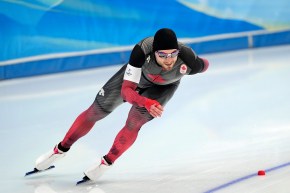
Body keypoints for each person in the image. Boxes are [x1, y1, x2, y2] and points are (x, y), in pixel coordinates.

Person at [33, 28, 209, 182]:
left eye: (173, 54)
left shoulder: (188, 60)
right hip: (136, 79)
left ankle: (106, 162)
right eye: (162, 55)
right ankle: (60, 149)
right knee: (96, 111)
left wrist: (201, 64)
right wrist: (145, 102)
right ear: (154, 52)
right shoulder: (142, 51)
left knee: (134, 122)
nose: (169, 60)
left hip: (163, 88)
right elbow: (126, 92)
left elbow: (205, 65)